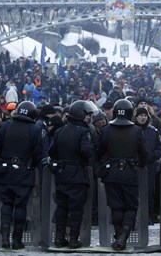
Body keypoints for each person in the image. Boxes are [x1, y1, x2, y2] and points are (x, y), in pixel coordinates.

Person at [94, 99, 147, 251]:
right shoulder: (137, 131)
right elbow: (143, 152)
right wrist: (141, 164)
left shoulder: (106, 130)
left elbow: (98, 152)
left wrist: (101, 167)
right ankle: (123, 237)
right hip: (130, 172)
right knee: (131, 206)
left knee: (116, 206)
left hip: (111, 172)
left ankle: (119, 238)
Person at [0, 101, 42, 249]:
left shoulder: (6, 126)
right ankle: (17, 240)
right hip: (24, 172)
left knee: (6, 205)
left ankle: (5, 238)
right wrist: (30, 165)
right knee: (20, 206)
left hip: (5, 170)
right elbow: (38, 152)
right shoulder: (35, 129)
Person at [48, 101, 95, 248]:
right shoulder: (83, 131)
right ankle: (73, 239)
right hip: (77, 175)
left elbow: (51, 152)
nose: (89, 117)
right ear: (81, 114)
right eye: (87, 114)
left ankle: (59, 238)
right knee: (76, 209)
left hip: (62, 175)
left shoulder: (60, 130)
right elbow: (86, 151)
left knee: (61, 208)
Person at [134, 107, 161, 224]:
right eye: (140, 115)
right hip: (134, 166)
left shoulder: (153, 131)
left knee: (149, 191)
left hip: (149, 166)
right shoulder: (132, 130)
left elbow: (160, 148)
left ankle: (149, 216)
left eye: (145, 115)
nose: (142, 117)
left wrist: (151, 157)